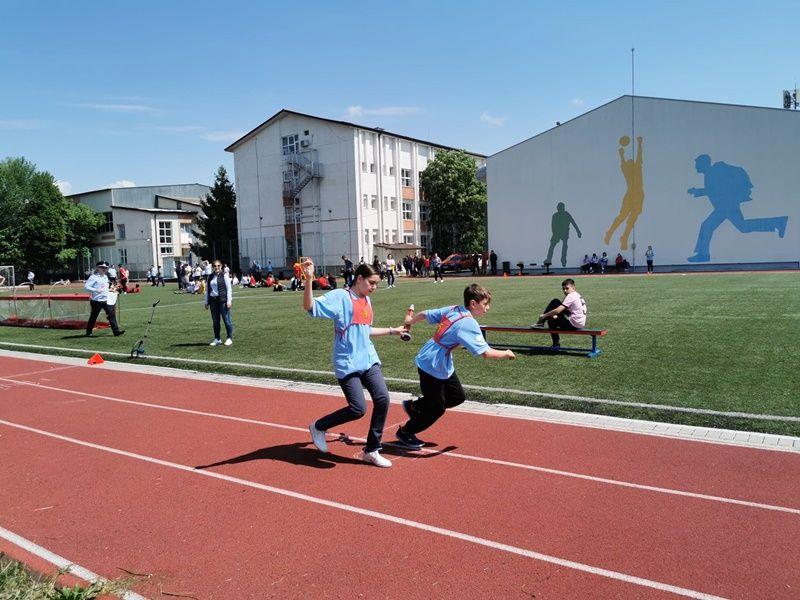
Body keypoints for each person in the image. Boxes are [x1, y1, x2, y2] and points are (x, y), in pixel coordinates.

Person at [303, 260, 405, 468]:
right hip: (347, 362)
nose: (374, 287)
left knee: (383, 399)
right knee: (358, 409)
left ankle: (372, 450)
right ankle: (319, 427)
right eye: (371, 283)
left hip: (368, 359)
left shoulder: (367, 300)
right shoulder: (341, 297)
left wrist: (392, 331)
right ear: (359, 279)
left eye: (376, 284)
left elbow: (365, 330)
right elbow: (310, 307)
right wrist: (309, 279)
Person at [394, 284, 516, 450]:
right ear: (473, 304)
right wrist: (506, 353)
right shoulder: (468, 323)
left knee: (457, 397)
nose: (487, 308)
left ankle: (414, 406)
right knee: (437, 409)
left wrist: (410, 321)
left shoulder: (455, 309)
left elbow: (425, 314)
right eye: (485, 304)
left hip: (440, 360)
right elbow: (486, 353)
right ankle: (406, 432)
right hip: (432, 364)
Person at [687, 154, 788, 262]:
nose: (696, 167)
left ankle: (703, 255)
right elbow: (714, 190)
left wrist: (698, 191)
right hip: (725, 206)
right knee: (742, 227)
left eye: (697, 164)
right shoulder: (710, 174)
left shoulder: (714, 172)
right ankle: (778, 222)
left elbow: (717, 189)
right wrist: (699, 192)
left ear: (704, 163)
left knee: (707, 226)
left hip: (726, 206)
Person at [605, 135, 644, 251]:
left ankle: (624, 237)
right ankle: (611, 232)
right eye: (630, 161)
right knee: (623, 216)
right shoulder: (632, 169)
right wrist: (638, 144)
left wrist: (622, 154)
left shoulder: (633, 168)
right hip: (632, 194)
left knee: (633, 217)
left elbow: (637, 158)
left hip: (638, 195)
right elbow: (636, 158)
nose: (632, 161)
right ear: (629, 164)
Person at [532, 278, 587, 348]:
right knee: (553, 315)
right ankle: (542, 323)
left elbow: (558, 310)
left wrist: (544, 315)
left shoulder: (571, 296)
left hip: (573, 324)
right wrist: (554, 315)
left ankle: (542, 323)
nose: (565, 291)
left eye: (567, 288)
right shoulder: (577, 295)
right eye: (563, 289)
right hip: (579, 323)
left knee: (554, 304)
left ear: (573, 288)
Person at [84, 261, 124, 337]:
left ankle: (116, 331)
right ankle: (89, 332)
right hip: (96, 301)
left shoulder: (106, 277)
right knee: (93, 316)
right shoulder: (93, 277)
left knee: (111, 315)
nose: (104, 269)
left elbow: (106, 287)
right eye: (102, 267)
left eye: (105, 268)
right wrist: (96, 290)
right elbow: (86, 287)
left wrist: (112, 290)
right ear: (98, 268)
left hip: (106, 300)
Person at [205, 260, 234, 346]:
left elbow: (229, 289)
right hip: (213, 301)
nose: (216, 267)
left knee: (227, 320)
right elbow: (207, 290)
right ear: (212, 267)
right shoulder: (210, 277)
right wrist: (206, 301)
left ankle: (229, 338)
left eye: (218, 265)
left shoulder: (225, 276)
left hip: (222, 300)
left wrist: (229, 301)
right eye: (215, 266)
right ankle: (217, 339)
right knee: (215, 321)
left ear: (221, 266)